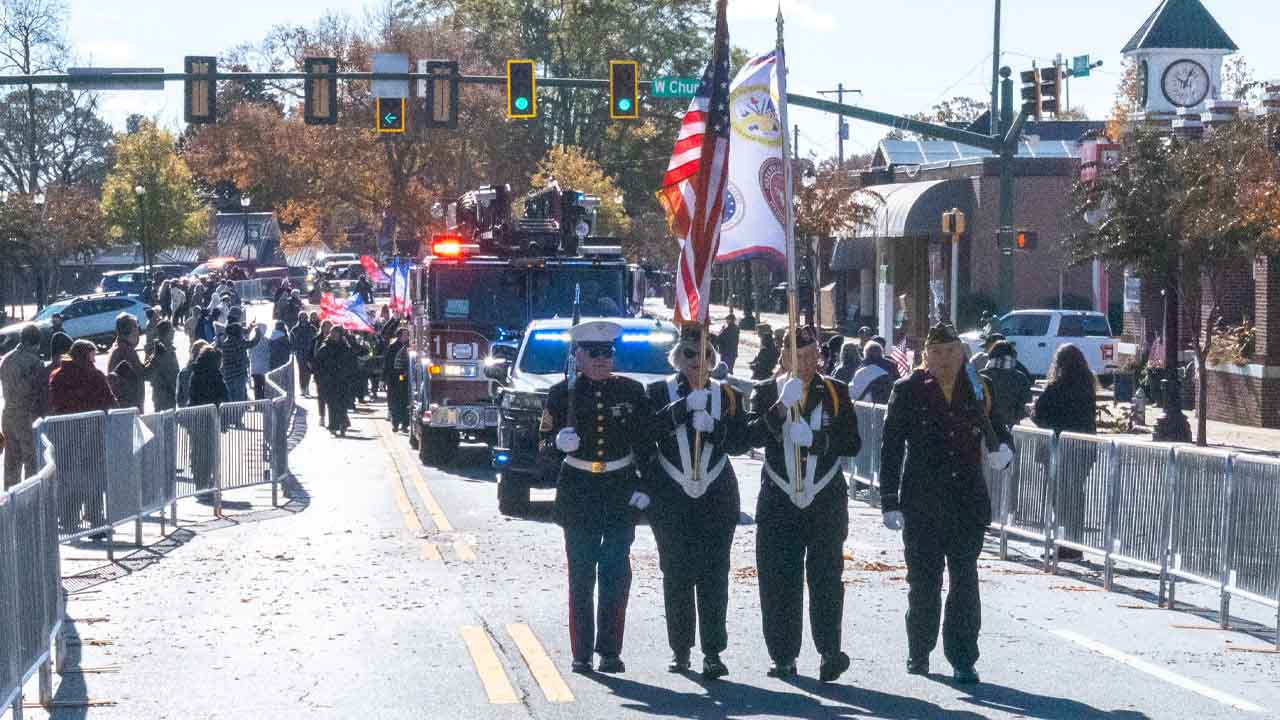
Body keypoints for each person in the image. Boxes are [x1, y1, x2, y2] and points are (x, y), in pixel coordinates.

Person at [878, 322, 1014, 685]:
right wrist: (888, 501)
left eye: (951, 352)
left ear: (961, 354)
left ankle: (963, 657)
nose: (944, 360)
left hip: (967, 501)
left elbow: (999, 429)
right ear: (925, 357)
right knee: (923, 583)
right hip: (923, 503)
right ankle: (919, 650)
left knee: (965, 583)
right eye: (936, 353)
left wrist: (1005, 452)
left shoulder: (978, 388)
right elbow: (891, 447)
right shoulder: (907, 390)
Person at [747, 325, 861, 682]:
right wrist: (779, 410)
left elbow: (853, 442)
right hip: (779, 498)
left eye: (813, 356)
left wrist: (817, 439)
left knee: (827, 578)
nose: (808, 363)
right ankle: (783, 655)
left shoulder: (835, 392)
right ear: (784, 358)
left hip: (824, 499)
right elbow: (745, 437)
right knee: (779, 579)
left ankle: (830, 651)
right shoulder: (767, 391)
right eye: (799, 357)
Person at [540, 320, 652, 675]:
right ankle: (582, 652)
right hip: (579, 490)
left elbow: (647, 445)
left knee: (616, 573)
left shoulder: (632, 392)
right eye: (595, 354)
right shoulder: (562, 394)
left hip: (619, 490)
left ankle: (610, 650)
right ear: (579, 356)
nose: (604, 360)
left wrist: (643, 487)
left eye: (609, 353)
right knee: (582, 575)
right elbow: (542, 445)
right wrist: (558, 443)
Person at [642, 326, 750, 679]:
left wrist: (715, 428)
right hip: (671, 497)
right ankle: (681, 649)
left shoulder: (729, 396)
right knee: (676, 574)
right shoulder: (658, 391)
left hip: (716, 496)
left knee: (714, 575)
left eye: (704, 355)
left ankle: (713, 651)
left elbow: (740, 442)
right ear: (678, 357)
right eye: (689, 354)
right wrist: (681, 410)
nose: (697, 362)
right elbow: (645, 434)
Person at [1032, 344, 1098, 562]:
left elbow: (1039, 414)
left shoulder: (1056, 388)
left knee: (1059, 498)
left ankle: (1064, 544)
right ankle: (1074, 543)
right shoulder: (1088, 386)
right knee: (1076, 496)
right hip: (1084, 448)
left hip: (1059, 449)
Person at [1, 324, 46, 487]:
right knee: (31, 461)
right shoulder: (35, 363)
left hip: (7, 414)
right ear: (35, 343)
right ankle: (28, 502)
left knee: (11, 461)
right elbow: (39, 392)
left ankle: (9, 500)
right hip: (26, 415)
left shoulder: (6, 359)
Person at [188, 346, 228, 496]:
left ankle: (200, 485)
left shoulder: (195, 373)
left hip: (195, 417)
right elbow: (223, 395)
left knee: (197, 453)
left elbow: (191, 396)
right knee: (209, 454)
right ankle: (207, 485)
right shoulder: (215, 375)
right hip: (210, 419)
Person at [49, 340, 116, 415]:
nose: (94, 360)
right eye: (92, 356)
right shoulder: (95, 376)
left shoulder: (57, 376)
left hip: (65, 424)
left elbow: (53, 403)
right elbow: (110, 401)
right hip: (95, 422)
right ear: (85, 357)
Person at [981, 341, 1032, 436]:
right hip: (1011, 430)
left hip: (984, 430)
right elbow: (1026, 406)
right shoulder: (1020, 378)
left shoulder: (980, 376)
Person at [314, 326, 356, 436]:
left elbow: (351, 363)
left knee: (342, 404)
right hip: (329, 381)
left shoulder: (346, 348)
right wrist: (320, 379)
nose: (334, 336)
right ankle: (334, 425)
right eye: (333, 333)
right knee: (332, 404)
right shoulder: (325, 347)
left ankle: (342, 425)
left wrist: (350, 376)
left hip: (343, 381)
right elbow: (318, 365)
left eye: (337, 334)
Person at [107, 313, 153, 411]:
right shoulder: (126, 350)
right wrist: (156, 356)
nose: (138, 332)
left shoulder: (118, 347)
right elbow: (144, 374)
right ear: (130, 331)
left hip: (125, 403)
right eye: (136, 327)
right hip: (129, 404)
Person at [384, 327, 411, 432]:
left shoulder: (410, 347)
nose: (407, 337)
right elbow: (387, 364)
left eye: (408, 335)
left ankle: (405, 425)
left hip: (406, 379)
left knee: (405, 402)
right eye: (405, 335)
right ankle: (395, 423)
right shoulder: (392, 347)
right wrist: (384, 378)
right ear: (399, 336)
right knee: (394, 402)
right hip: (394, 379)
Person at [149, 320, 180, 412]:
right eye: (171, 330)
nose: (174, 331)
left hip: (168, 394)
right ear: (166, 333)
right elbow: (169, 373)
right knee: (165, 423)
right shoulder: (161, 351)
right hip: (164, 395)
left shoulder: (165, 348)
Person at [218, 322, 252, 402]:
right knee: (239, 398)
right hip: (239, 374)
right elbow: (253, 343)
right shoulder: (239, 342)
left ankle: (231, 413)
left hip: (228, 374)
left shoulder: (225, 344)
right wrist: (258, 333)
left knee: (230, 397)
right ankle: (238, 414)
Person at [177, 340, 210, 408]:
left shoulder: (183, 373)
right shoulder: (209, 372)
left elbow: (179, 398)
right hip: (207, 412)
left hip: (189, 413)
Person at [313, 320, 333, 424]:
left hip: (332, 373)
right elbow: (312, 354)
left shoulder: (336, 340)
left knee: (331, 396)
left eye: (330, 327)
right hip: (320, 372)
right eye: (326, 326)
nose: (328, 329)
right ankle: (322, 416)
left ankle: (331, 417)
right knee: (321, 395)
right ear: (322, 327)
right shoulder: (317, 339)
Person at [292, 315, 318, 398]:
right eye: (301, 317)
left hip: (310, 352)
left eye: (305, 317)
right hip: (300, 353)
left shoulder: (312, 328)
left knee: (309, 370)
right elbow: (292, 340)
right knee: (301, 370)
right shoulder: (295, 329)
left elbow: (315, 338)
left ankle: (306, 387)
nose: (303, 319)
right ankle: (302, 388)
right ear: (299, 318)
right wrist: (295, 349)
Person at [249, 322, 273, 400]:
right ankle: (264, 403)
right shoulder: (267, 340)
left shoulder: (252, 340)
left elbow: (250, 352)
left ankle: (258, 404)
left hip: (255, 368)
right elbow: (269, 353)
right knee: (264, 386)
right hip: (265, 368)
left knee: (257, 387)